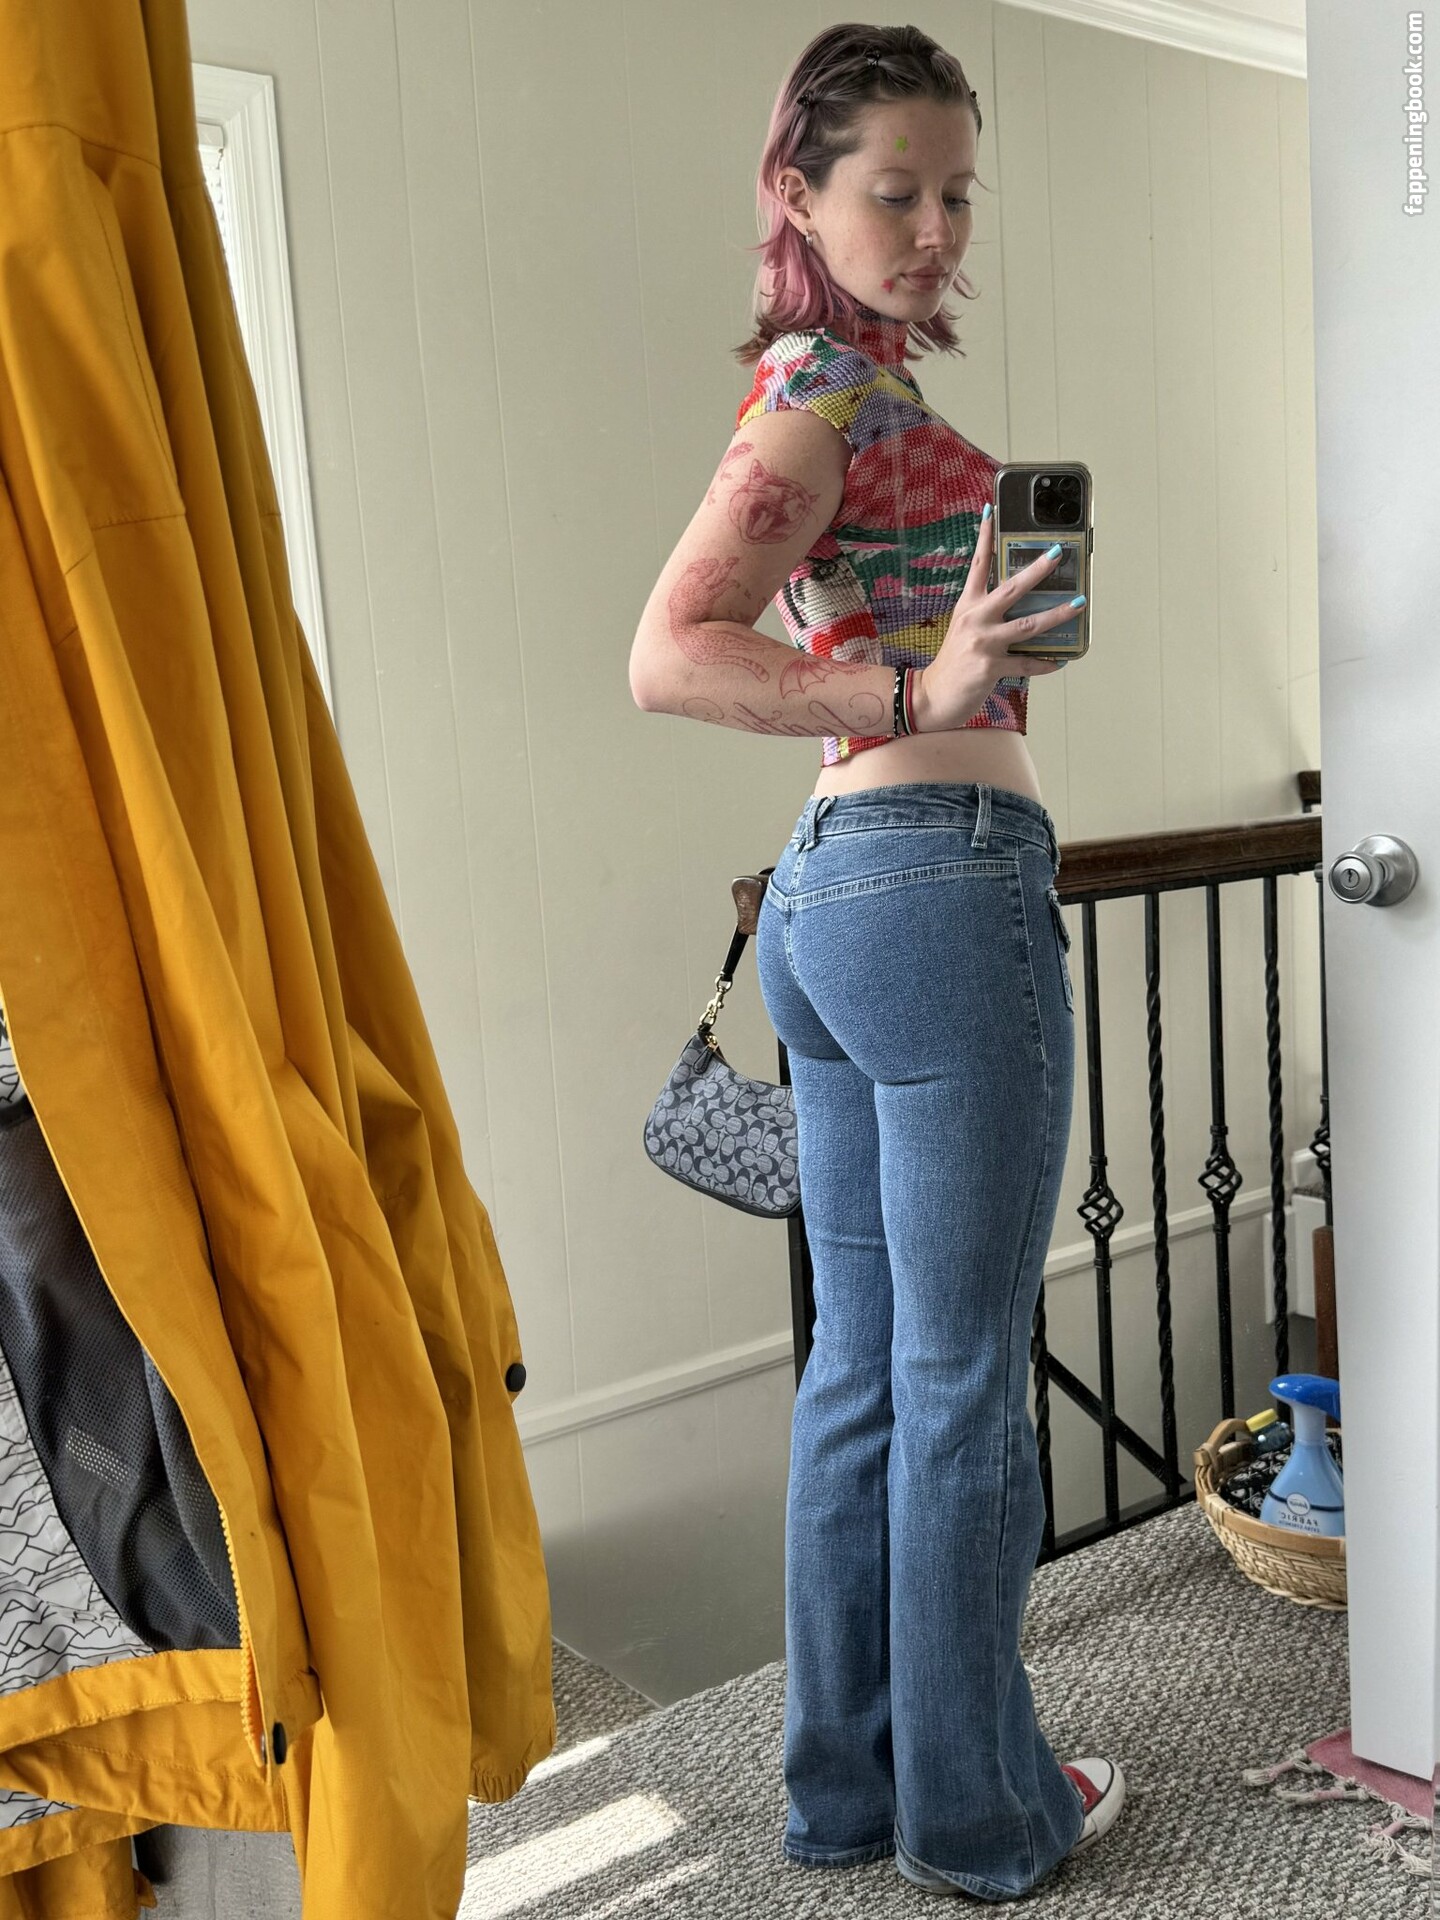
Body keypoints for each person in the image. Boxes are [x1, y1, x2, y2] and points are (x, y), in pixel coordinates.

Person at [628, 22, 1127, 1902]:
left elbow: (823, 636)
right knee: (959, 1378)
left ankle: (845, 1799)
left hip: (833, 895)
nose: (933, 231)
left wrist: (954, 653)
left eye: (956, 196)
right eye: (893, 192)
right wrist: (928, 693)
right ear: (799, 193)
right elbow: (672, 651)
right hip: (936, 883)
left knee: (864, 1374)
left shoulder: (824, 386)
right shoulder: (825, 389)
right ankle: (985, 1817)